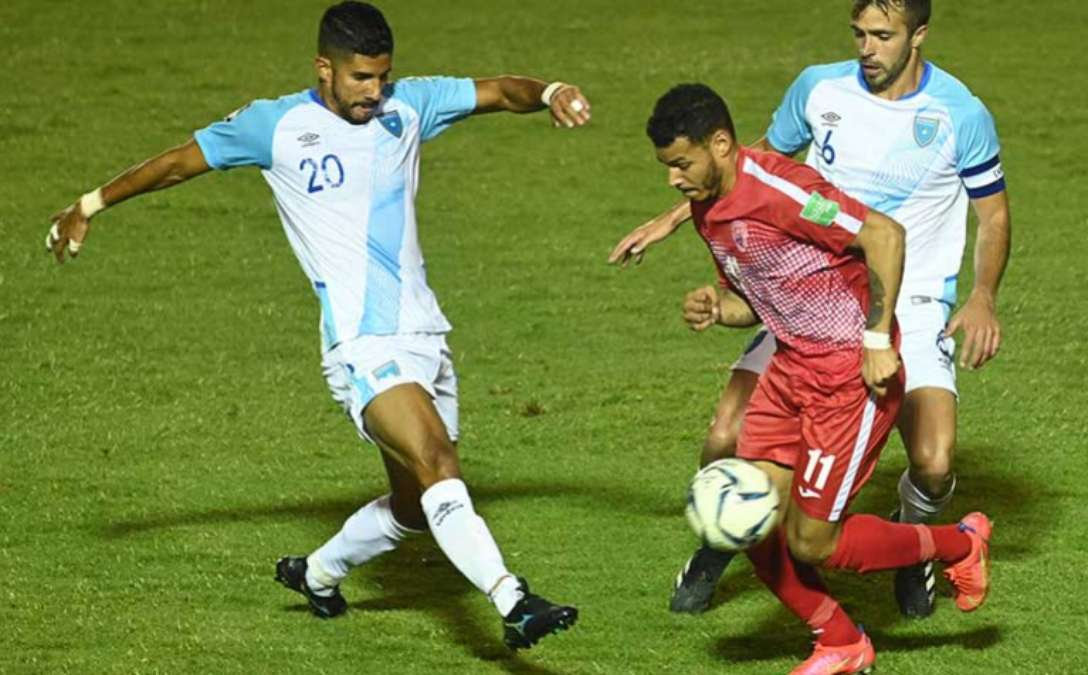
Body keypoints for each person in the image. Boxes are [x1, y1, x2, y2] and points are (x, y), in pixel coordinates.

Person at [44, 1, 590, 651]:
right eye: (361, 77)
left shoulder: (407, 106)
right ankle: (513, 597)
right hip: (360, 345)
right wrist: (90, 204)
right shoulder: (275, 125)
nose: (374, 91)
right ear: (324, 68)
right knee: (437, 459)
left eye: (382, 76)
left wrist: (552, 91)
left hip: (426, 335)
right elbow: (178, 163)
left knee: (418, 504)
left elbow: (501, 91)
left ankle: (319, 572)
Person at [611, 0, 1010, 618]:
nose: (867, 48)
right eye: (859, 33)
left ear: (919, 34)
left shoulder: (962, 114)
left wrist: (983, 293)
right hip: (809, 291)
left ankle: (916, 548)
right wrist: (675, 218)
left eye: (883, 35)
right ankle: (721, 539)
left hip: (910, 297)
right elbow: (749, 165)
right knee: (723, 438)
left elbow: (993, 214)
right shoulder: (819, 88)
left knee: (932, 464)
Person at [646, 82, 991, 675]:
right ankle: (839, 639)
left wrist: (878, 338)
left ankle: (963, 543)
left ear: (721, 144)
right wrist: (718, 307)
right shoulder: (710, 211)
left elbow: (883, 234)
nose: (674, 180)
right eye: (668, 167)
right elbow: (756, 300)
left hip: (848, 377)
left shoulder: (785, 190)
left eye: (681, 163)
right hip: (789, 370)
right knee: (747, 517)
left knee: (811, 542)